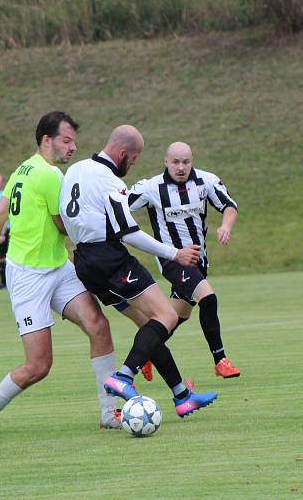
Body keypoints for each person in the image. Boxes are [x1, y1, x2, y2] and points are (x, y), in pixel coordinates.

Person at [0, 111, 121, 438]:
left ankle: (109, 413)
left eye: (74, 140)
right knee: (38, 366)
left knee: (98, 326)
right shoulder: (50, 176)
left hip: (58, 269)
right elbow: (65, 224)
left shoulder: (22, 169)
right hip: (28, 278)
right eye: (66, 140)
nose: (72, 147)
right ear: (47, 140)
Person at [60, 125, 218, 418]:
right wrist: (175, 253)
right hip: (110, 258)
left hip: (84, 261)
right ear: (122, 153)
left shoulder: (76, 170)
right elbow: (129, 232)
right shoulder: (109, 181)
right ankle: (123, 377)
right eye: (132, 159)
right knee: (167, 316)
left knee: (149, 326)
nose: (132, 164)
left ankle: (182, 396)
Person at [123, 141, 241, 380]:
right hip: (173, 260)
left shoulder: (206, 182)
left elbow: (229, 205)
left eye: (185, 162)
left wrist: (225, 226)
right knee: (208, 298)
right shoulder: (150, 188)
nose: (180, 167)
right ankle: (221, 360)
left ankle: (145, 356)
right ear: (166, 162)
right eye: (175, 162)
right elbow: (119, 208)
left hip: (199, 260)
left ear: (192, 162)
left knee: (175, 316)